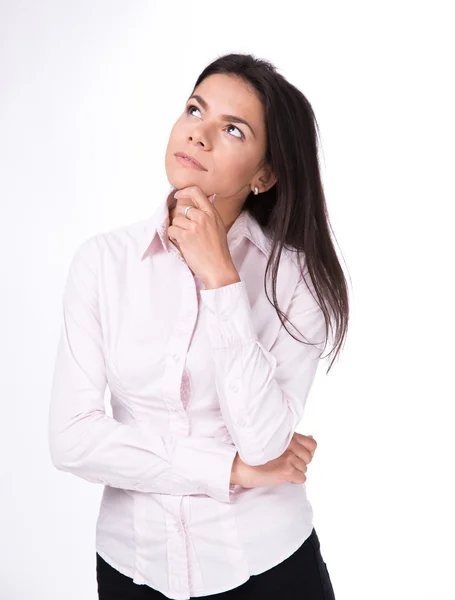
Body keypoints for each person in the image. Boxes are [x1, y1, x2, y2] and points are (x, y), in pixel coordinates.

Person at [48, 52, 349, 599]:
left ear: (265, 174)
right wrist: (229, 470)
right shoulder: (102, 263)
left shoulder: (295, 280)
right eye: (195, 110)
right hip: (132, 567)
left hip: (269, 567)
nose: (200, 135)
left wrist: (220, 278)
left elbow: (263, 444)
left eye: (233, 129)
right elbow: (72, 440)